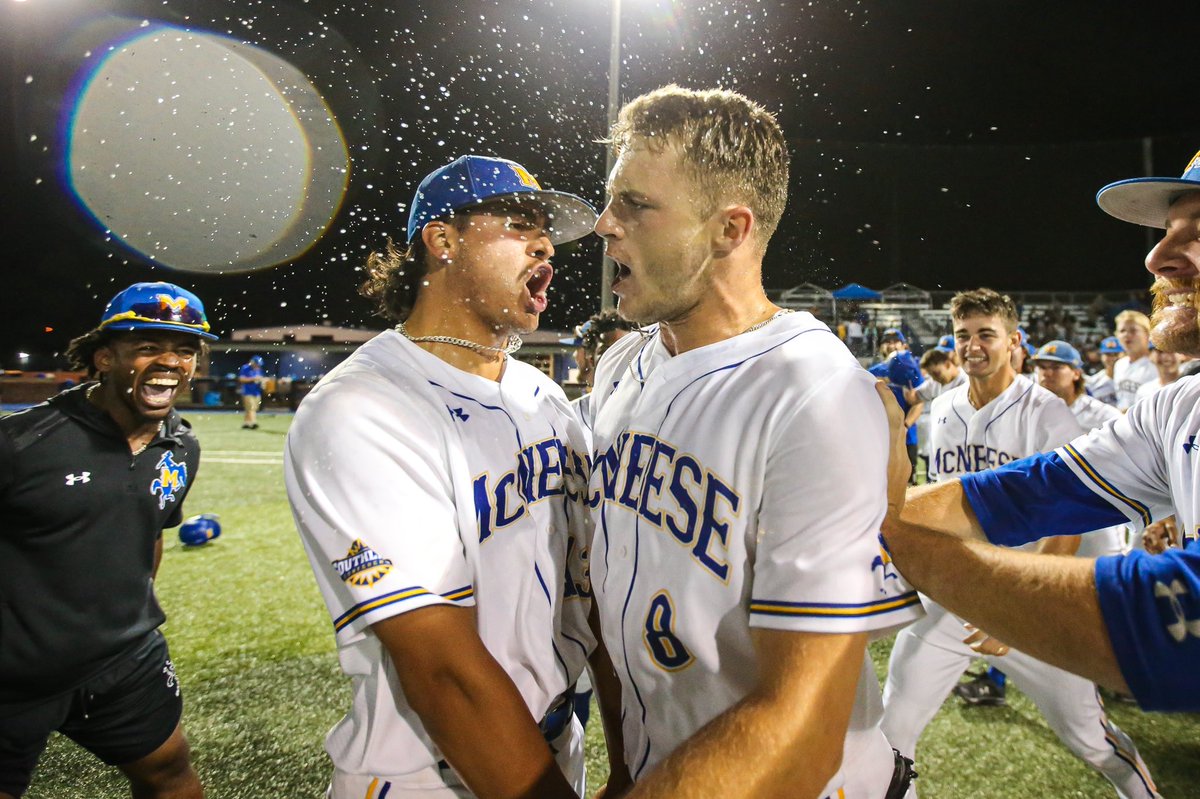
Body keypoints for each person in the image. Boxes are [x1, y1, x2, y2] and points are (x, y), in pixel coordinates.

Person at [589, 85, 922, 799]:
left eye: (635, 205)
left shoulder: (815, 393)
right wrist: (624, 767)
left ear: (729, 230)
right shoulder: (623, 363)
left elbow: (800, 727)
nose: (602, 225)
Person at [284, 155, 611, 798]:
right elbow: (442, 668)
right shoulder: (363, 406)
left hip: (554, 748)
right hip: (430, 774)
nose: (545, 244)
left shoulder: (543, 396)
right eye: (519, 223)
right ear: (442, 240)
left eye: (546, 229)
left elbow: (589, 593)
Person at [877, 149, 1200, 714]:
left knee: (1091, 736)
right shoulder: (1177, 407)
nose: (1158, 256)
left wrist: (909, 549)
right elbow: (1018, 495)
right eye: (1170, 230)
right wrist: (845, 518)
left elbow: (1177, 631)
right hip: (1021, 578)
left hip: (1059, 577)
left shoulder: (1054, 406)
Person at [878, 290, 1157, 799]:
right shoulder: (942, 409)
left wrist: (1019, 601)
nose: (973, 346)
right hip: (955, 601)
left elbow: (1069, 516)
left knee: (1092, 742)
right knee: (889, 736)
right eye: (963, 335)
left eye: (986, 334)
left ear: (1014, 341)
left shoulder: (1046, 411)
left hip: (1028, 606)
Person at [0, 281, 214, 799]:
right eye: (147, 348)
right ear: (103, 357)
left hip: (125, 663)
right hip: (13, 678)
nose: (170, 361)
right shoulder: (22, 444)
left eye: (185, 350)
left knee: (171, 781)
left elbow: (152, 536)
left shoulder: (181, 444)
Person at [870, 330, 924, 485]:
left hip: (907, 437)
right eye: (887, 341)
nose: (891, 345)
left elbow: (918, 402)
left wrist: (905, 426)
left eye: (895, 341)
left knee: (908, 486)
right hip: (882, 437)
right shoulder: (873, 372)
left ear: (904, 345)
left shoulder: (911, 369)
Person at [1111, 310, 1156, 409]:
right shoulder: (1119, 364)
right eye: (1122, 331)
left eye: (1133, 330)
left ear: (1147, 334)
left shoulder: (1157, 364)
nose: (1127, 334)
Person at [1084, 335, 1122, 406]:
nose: (1113, 358)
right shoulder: (1093, 382)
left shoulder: (1130, 378)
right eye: (1108, 354)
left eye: (1116, 354)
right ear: (1101, 356)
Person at [237, 355, 265, 429]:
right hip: (247, 392)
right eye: (256, 364)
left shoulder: (259, 370)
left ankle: (246, 423)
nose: (257, 366)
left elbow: (260, 379)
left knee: (253, 408)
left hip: (256, 392)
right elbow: (241, 379)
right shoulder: (245, 368)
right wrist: (253, 379)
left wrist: (263, 382)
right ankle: (253, 422)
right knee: (251, 408)